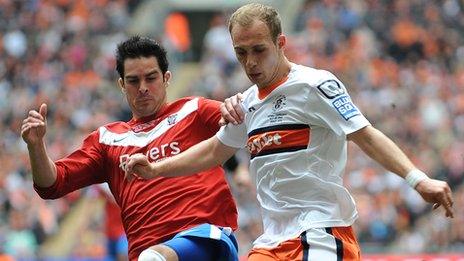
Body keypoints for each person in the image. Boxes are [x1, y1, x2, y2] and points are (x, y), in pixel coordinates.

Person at [123, 3, 455, 261]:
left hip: (321, 232)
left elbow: (365, 134)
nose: (250, 62)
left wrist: (417, 179)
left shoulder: (315, 85)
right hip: (272, 242)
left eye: (259, 50)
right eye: (241, 52)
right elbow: (214, 151)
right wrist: (155, 170)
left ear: (281, 43)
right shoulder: (247, 104)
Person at [20, 36, 240, 261]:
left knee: (154, 258)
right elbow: (51, 185)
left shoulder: (194, 110)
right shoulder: (106, 140)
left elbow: (245, 120)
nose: (143, 88)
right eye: (134, 81)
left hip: (205, 241)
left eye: (151, 78)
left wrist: (235, 108)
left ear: (166, 78)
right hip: (145, 251)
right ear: (122, 85)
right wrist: (36, 146)